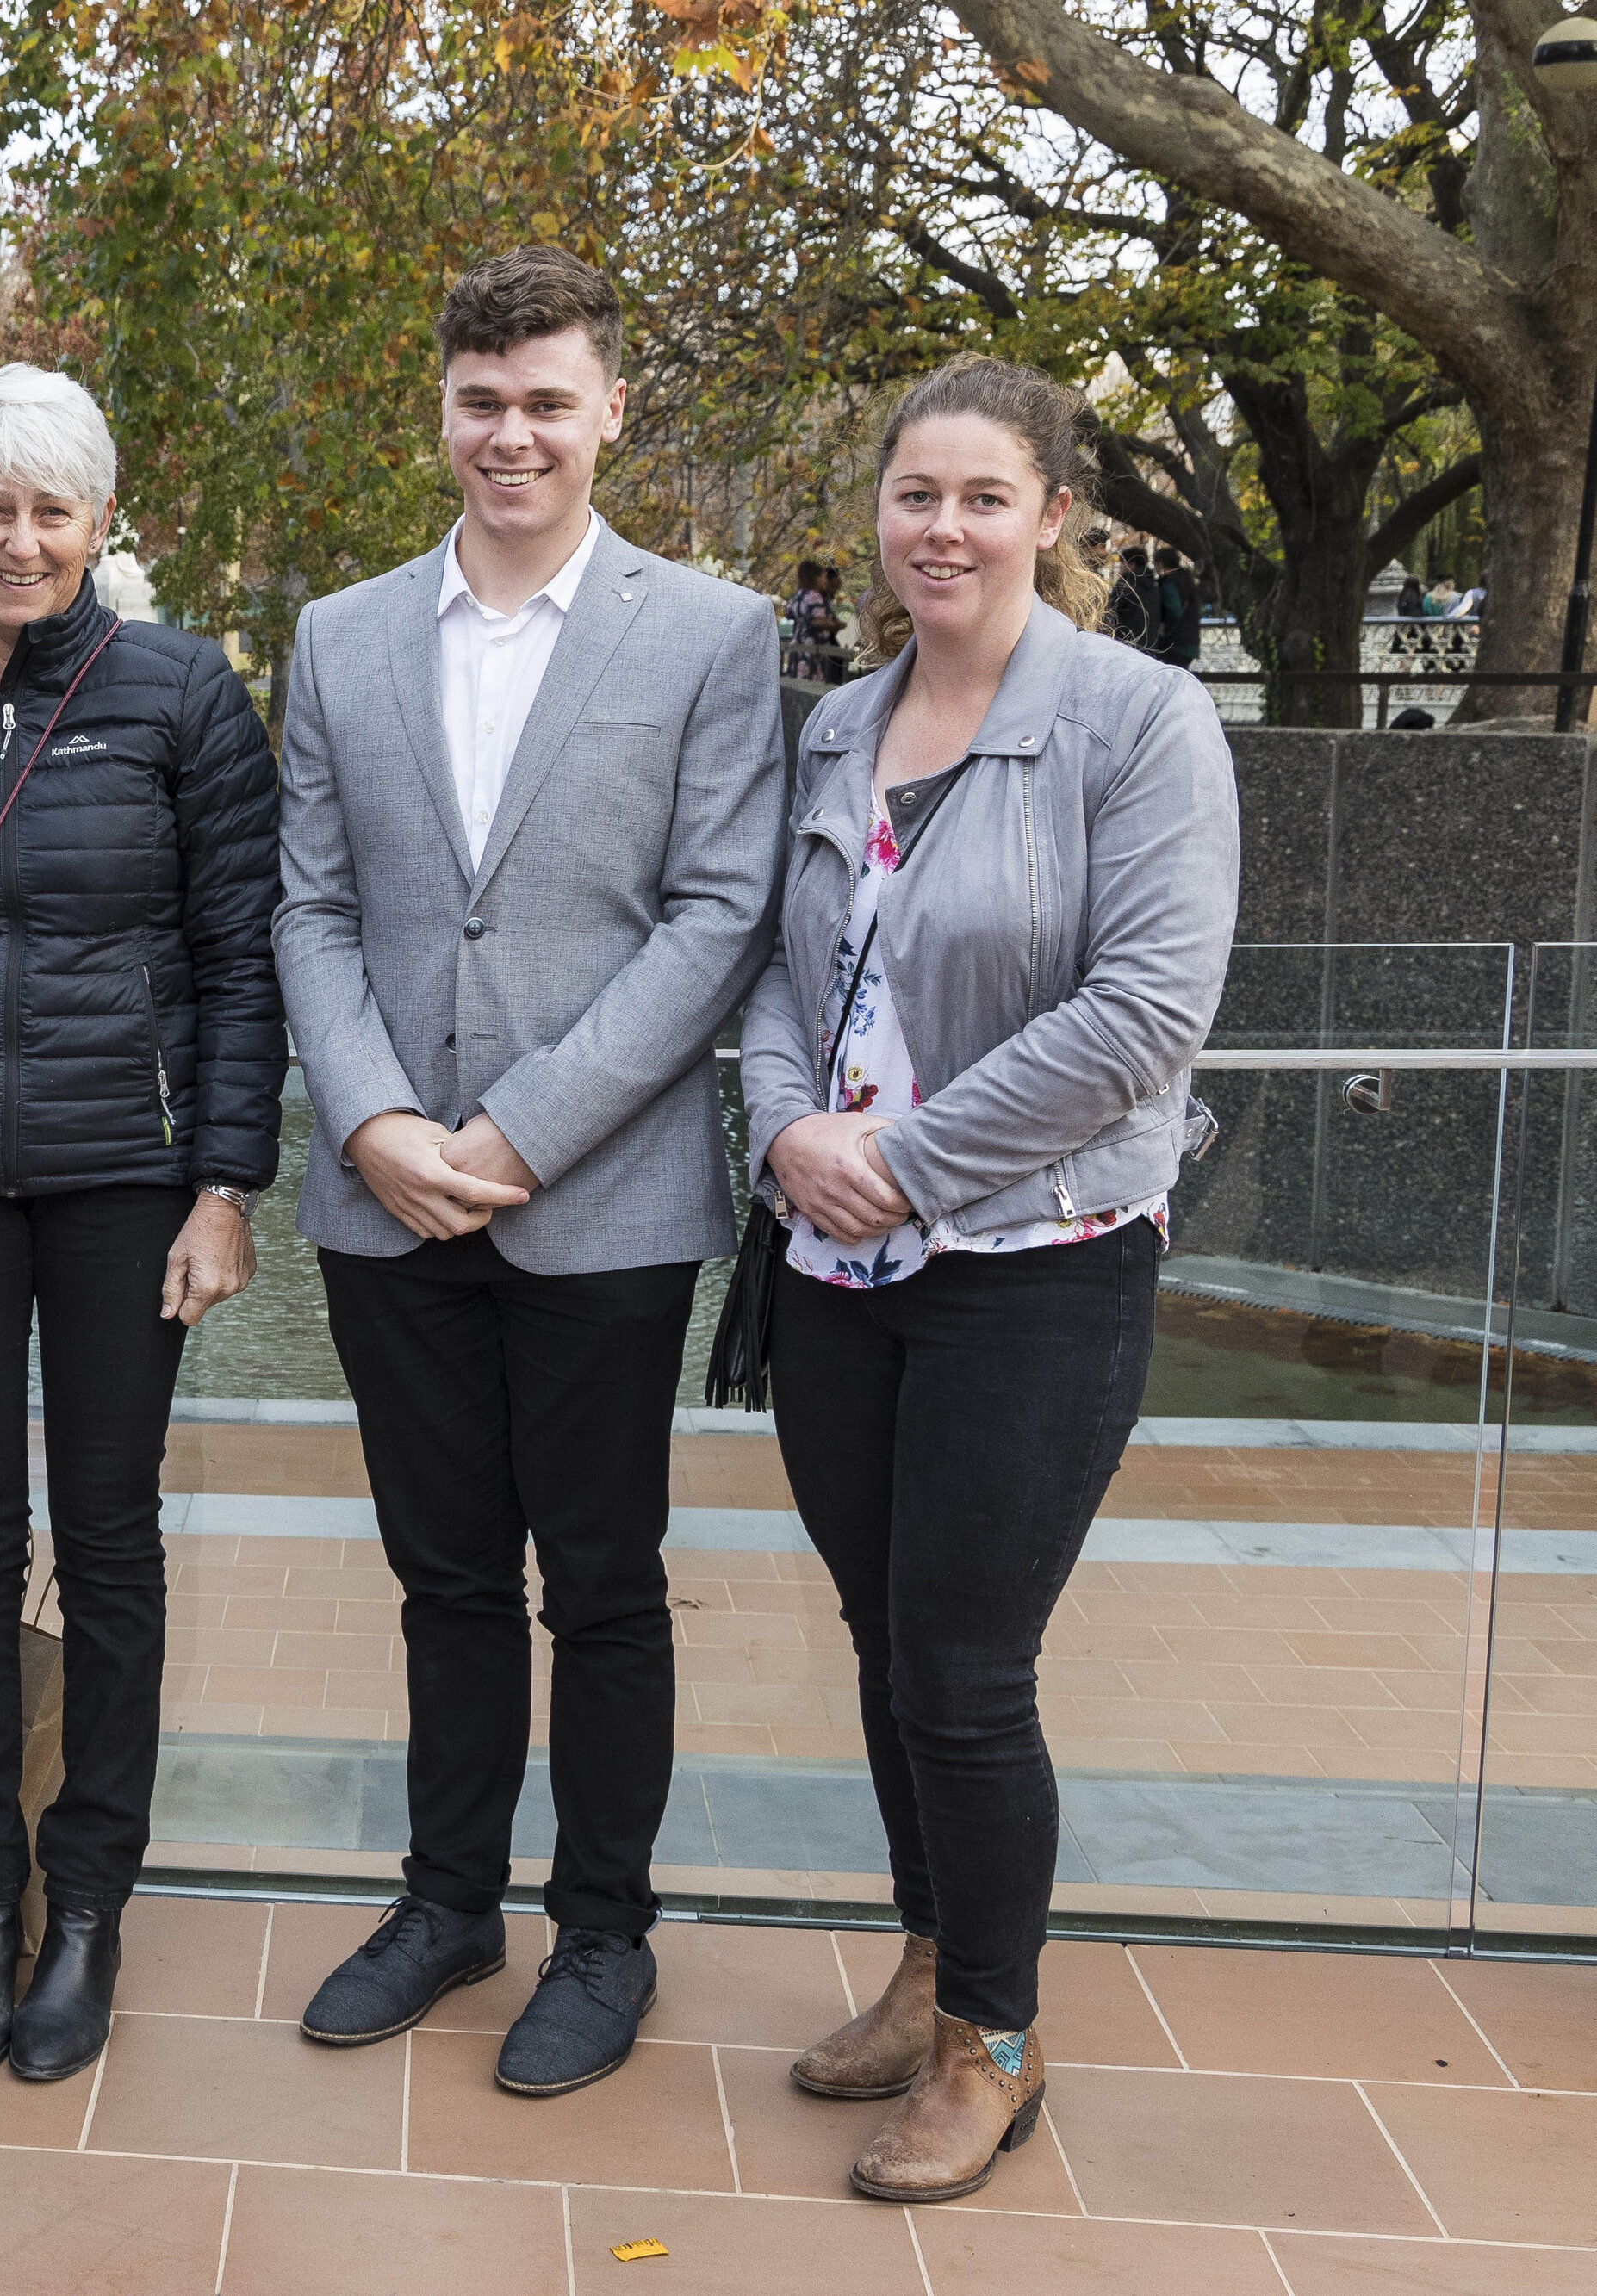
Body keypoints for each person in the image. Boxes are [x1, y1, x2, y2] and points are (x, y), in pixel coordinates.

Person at [274, 245, 785, 2094]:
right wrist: (373, 1120)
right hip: (384, 1191)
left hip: (604, 1200)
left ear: (608, 411)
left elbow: (722, 913)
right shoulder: (338, 634)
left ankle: (603, 1929)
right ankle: (445, 1903)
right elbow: (308, 903)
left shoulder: (715, 637)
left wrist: (521, 1131)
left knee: (604, 1580)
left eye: (546, 401)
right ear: (443, 407)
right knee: (440, 1578)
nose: (512, 434)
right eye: (481, 401)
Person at [742, 355, 1235, 2203]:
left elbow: (1141, 1016)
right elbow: (784, 977)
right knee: (882, 1643)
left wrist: (903, 1163)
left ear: (1051, 519)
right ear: (877, 514)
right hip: (833, 1266)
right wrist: (791, 1130)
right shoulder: (834, 726)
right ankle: (929, 1959)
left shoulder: (1136, 721)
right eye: (912, 495)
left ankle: (993, 2042)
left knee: (961, 1663)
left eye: (978, 497)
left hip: (1034, 1265)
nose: (939, 528)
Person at [0, 364, 283, 2082]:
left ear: (99, 523)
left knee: (104, 1545)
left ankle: (88, 1895)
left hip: (122, 1180)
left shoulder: (177, 692)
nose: (18, 540)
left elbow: (242, 952)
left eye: (51, 509)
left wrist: (223, 1181)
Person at [1151, 544, 1202, 667]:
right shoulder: (1187, 580)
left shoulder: (1170, 584)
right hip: (1190, 640)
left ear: (1161, 564)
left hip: (1175, 643)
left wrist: (1165, 628)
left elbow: (1174, 609)